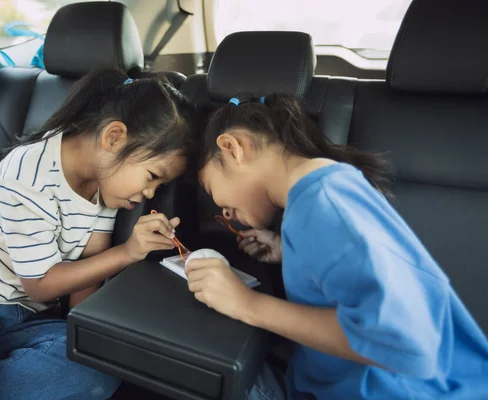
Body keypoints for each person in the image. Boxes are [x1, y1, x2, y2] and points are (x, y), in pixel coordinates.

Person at [0, 68, 200, 400]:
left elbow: (87, 269)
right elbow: (40, 285)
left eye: (159, 186)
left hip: (19, 315)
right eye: (152, 176)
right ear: (113, 137)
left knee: (96, 364)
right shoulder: (29, 174)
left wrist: (80, 332)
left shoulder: (103, 185)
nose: (150, 193)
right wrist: (127, 252)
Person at [186, 93, 488, 399]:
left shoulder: (324, 202)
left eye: (213, 190)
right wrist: (292, 253)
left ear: (233, 148)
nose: (223, 210)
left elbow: (404, 339)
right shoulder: (316, 196)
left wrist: (247, 306)